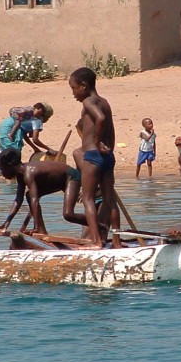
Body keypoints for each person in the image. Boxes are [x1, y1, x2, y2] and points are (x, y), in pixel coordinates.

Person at [69, 67, 116, 248]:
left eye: (74, 88)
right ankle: (117, 241)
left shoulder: (88, 101)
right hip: (107, 156)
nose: (73, 93)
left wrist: (96, 143)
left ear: (84, 85)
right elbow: (110, 129)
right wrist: (107, 147)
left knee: (88, 199)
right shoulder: (105, 102)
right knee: (110, 201)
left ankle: (96, 242)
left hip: (93, 156)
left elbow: (101, 118)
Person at [0, 148, 86, 235]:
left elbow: (35, 200)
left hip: (71, 177)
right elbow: (18, 200)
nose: (2, 174)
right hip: (57, 180)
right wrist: (6, 223)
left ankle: (94, 223)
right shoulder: (20, 175)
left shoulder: (28, 173)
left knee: (68, 214)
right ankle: (41, 229)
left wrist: (36, 228)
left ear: (10, 165)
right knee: (29, 195)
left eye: (2, 169)